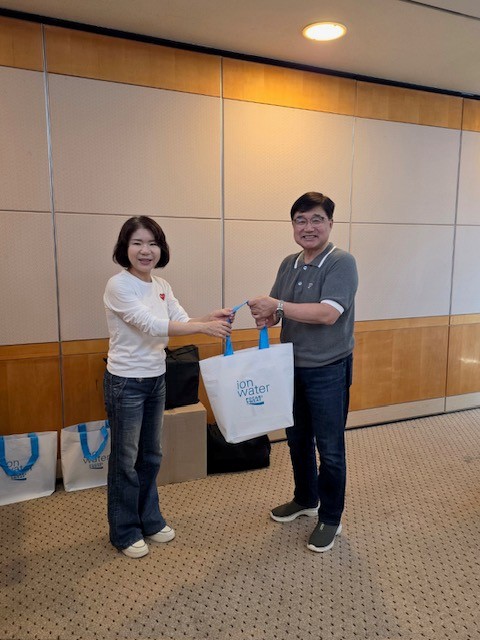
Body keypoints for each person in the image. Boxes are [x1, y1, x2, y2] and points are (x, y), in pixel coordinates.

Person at [103, 215, 232, 558]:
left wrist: (209, 319)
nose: (146, 250)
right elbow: (152, 325)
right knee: (125, 459)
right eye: (137, 243)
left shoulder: (162, 284)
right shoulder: (118, 285)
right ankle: (124, 530)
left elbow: (180, 320)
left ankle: (149, 519)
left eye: (153, 243)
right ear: (125, 248)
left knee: (151, 455)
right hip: (126, 382)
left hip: (156, 379)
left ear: (161, 249)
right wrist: (202, 329)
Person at [248, 192, 358, 553]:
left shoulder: (341, 262)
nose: (308, 227)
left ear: (330, 223)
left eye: (316, 219)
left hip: (328, 369)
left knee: (330, 448)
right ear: (293, 225)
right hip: (290, 366)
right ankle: (306, 499)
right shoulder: (289, 262)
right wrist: (266, 314)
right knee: (297, 439)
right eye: (300, 220)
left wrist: (278, 305)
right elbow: (279, 311)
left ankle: (331, 517)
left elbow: (328, 313)